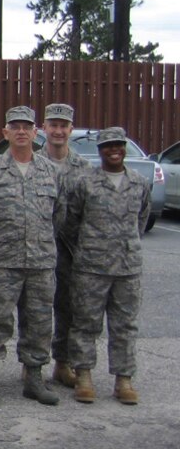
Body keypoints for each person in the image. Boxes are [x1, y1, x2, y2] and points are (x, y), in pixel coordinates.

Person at [0, 106, 61, 406]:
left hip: (40, 262)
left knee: (39, 322)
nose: (21, 131)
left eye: (27, 126)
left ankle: (34, 378)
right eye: (15, 126)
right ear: (4, 133)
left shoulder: (52, 173)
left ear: (36, 133)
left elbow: (60, 216)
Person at [63, 127, 151, 405]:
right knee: (85, 324)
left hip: (127, 268)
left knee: (124, 326)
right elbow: (71, 222)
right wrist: (91, 247)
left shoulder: (138, 183)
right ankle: (84, 375)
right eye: (107, 146)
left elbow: (141, 220)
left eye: (118, 145)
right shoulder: (85, 182)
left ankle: (123, 379)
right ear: (99, 151)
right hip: (91, 267)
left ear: (124, 148)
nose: (114, 150)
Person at [40, 103, 93, 389]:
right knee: (35, 308)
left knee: (68, 308)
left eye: (64, 126)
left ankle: (62, 363)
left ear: (71, 130)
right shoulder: (32, 162)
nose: (58, 131)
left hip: (72, 249)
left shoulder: (84, 169)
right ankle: (32, 364)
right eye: (53, 125)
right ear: (44, 129)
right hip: (38, 246)